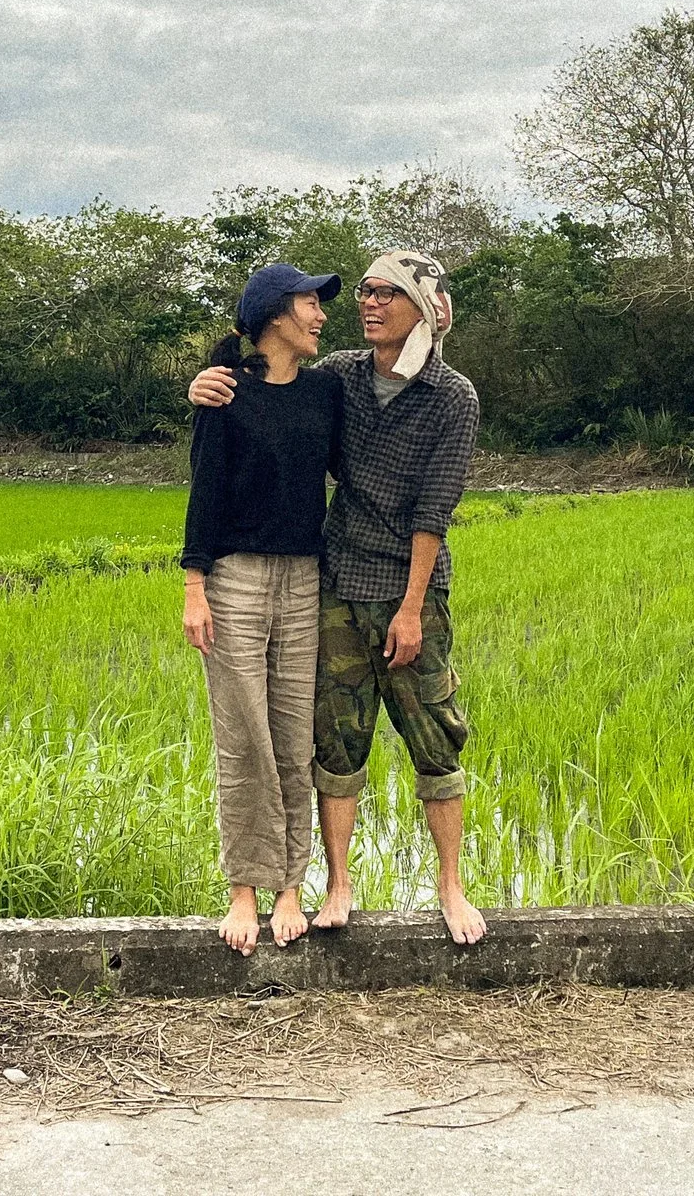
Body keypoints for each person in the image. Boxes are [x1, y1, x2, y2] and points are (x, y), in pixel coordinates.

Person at [189, 249, 485, 945]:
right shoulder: (343, 377)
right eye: (365, 292)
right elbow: (266, 390)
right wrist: (205, 378)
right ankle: (336, 884)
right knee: (332, 741)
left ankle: (450, 886)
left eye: (386, 293)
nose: (366, 303)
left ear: (423, 308)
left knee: (434, 739)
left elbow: (432, 512)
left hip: (405, 592)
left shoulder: (451, 396)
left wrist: (412, 608)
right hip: (337, 583)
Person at [180, 261, 345, 955]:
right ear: (276, 313)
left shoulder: (327, 391)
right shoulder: (225, 397)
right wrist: (194, 585)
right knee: (242, 735)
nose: (322, 315)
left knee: (292, 735)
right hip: (236, 580)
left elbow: (397, 384)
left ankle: (291, 887)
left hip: (304, 579)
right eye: (311, 302)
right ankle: (245, 889)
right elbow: (205, 493)